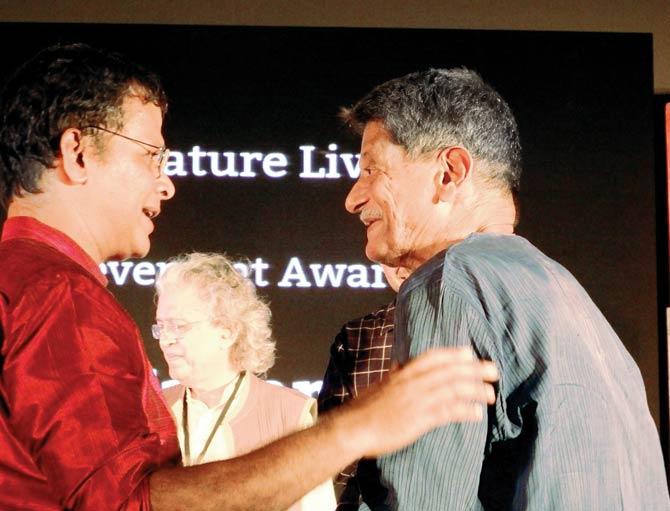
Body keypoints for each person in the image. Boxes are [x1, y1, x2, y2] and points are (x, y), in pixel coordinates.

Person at [0, 44, 499, 510]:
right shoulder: (56, 292)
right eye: (151, 156)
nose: (168, 184)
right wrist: (360, 426)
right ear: (77, 153)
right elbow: (131, 503)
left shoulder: (24, 279)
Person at [343, 68, 670, 510]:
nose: (353, 198)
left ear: (449, 172)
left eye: (371, 170)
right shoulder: (566, 292)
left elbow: (421, 503)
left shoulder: (449, 280)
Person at [155, 252, 335, 510]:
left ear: (227, 331)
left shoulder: (291, 415)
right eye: (161, 326)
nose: (165, 340)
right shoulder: (149, 412)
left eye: (179, 326)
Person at [318, 265, 407, 510]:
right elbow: (331, 452)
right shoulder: (357, 336)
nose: (400, 268)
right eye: (391, 258)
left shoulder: (470, 327)